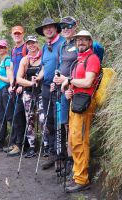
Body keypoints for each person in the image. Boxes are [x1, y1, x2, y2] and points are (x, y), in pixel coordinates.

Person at [61, 30, 101, 193]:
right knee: (73, 139)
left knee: (80, 140)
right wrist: (68, 90)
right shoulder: (79, 60)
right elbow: (76, 83)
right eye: (78, 40)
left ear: (90, 42)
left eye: (84, 40)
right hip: (75, 102)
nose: (81, 42)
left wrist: (69, 80)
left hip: (84, 104)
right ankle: (77, 173)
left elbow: (88, 81)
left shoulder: (92, 59)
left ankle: (82, 179)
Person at [35, 18, 65, 169]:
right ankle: (53, 154)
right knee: (49, 121)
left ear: (55, 28)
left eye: (50, 27)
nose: (48, 30)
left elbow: (66, 65)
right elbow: (44, 67)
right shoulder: (45, 46)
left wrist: (58, 79)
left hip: (59, 87)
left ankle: (61, 156)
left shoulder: (63, 43)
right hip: (46, 88)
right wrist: (38, 77)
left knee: (59, 121)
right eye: (45, 28)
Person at [51, 16, 77, 173]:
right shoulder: (62, 46)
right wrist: (57, 79)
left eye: (69, 25)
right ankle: (69, 160)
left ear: (75, 26)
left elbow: (82, 66)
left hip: (73, 90)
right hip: (62, 90)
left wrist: (67, 80)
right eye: (63, 26)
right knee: (66, 126)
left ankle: (75, 162)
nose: (66, 29)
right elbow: (61, 66)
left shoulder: (79, 43)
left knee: (73, 127)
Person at [16, 35, 47, 158]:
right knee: (30, 120)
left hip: (41, 93)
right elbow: (18, 78)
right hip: (28, 93)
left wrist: (38, 79)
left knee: (43, 119)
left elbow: (45, 71)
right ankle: (32, 146)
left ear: (37, 43)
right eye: (28, 43)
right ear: (26, 45)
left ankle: (46, 146)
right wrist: (30, 83)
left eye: (33, 43)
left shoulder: (43, 57)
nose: (31, 45)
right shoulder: (25, 60)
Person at [5, 25, 27, 156]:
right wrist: (11, 83)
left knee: (19, 117)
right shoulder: (13, 50)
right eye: (15, 34)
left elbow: (27, 66)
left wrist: (21, 85)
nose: (17, 35)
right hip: (15, 87)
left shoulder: (25, 48)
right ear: (12, 35)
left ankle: (20, 145)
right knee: (15, 116)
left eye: (19, 33)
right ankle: (17, 143)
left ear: (23, 34)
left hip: (23, 87)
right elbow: (12, 67)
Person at [0, 39, 14, 152]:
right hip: (1, 91)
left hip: (6, 90)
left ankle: (14, 144)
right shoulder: (2, 61)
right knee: (1, 118)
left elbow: (9, 79)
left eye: (1, 47)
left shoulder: (7, 60)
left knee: (9, 117)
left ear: (6, 48)